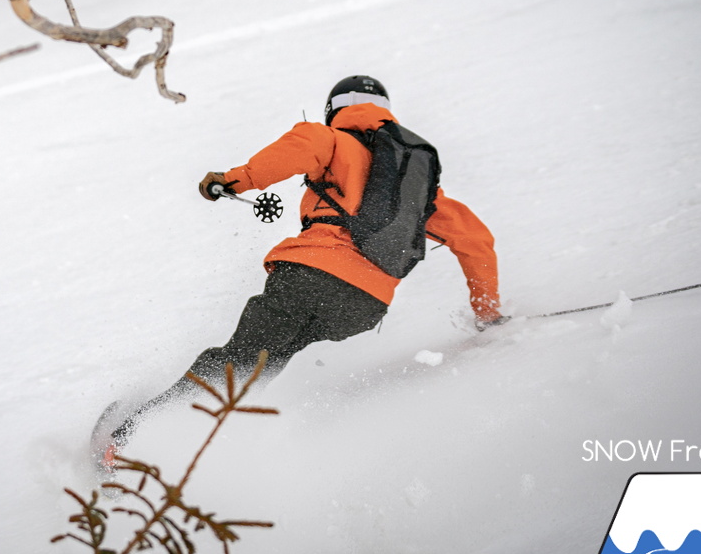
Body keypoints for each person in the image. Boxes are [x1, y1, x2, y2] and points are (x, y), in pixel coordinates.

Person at [103, 75, 504, 459]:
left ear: (334, 110)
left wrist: (234, 180)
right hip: (363, 307)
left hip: (309, 278)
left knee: (239, 358)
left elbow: (300, 146)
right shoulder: (416, 187)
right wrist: (487, 314)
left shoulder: (330, 138)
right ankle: (194, 448)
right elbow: (476, 241)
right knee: (265, 360)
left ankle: (131, 443)